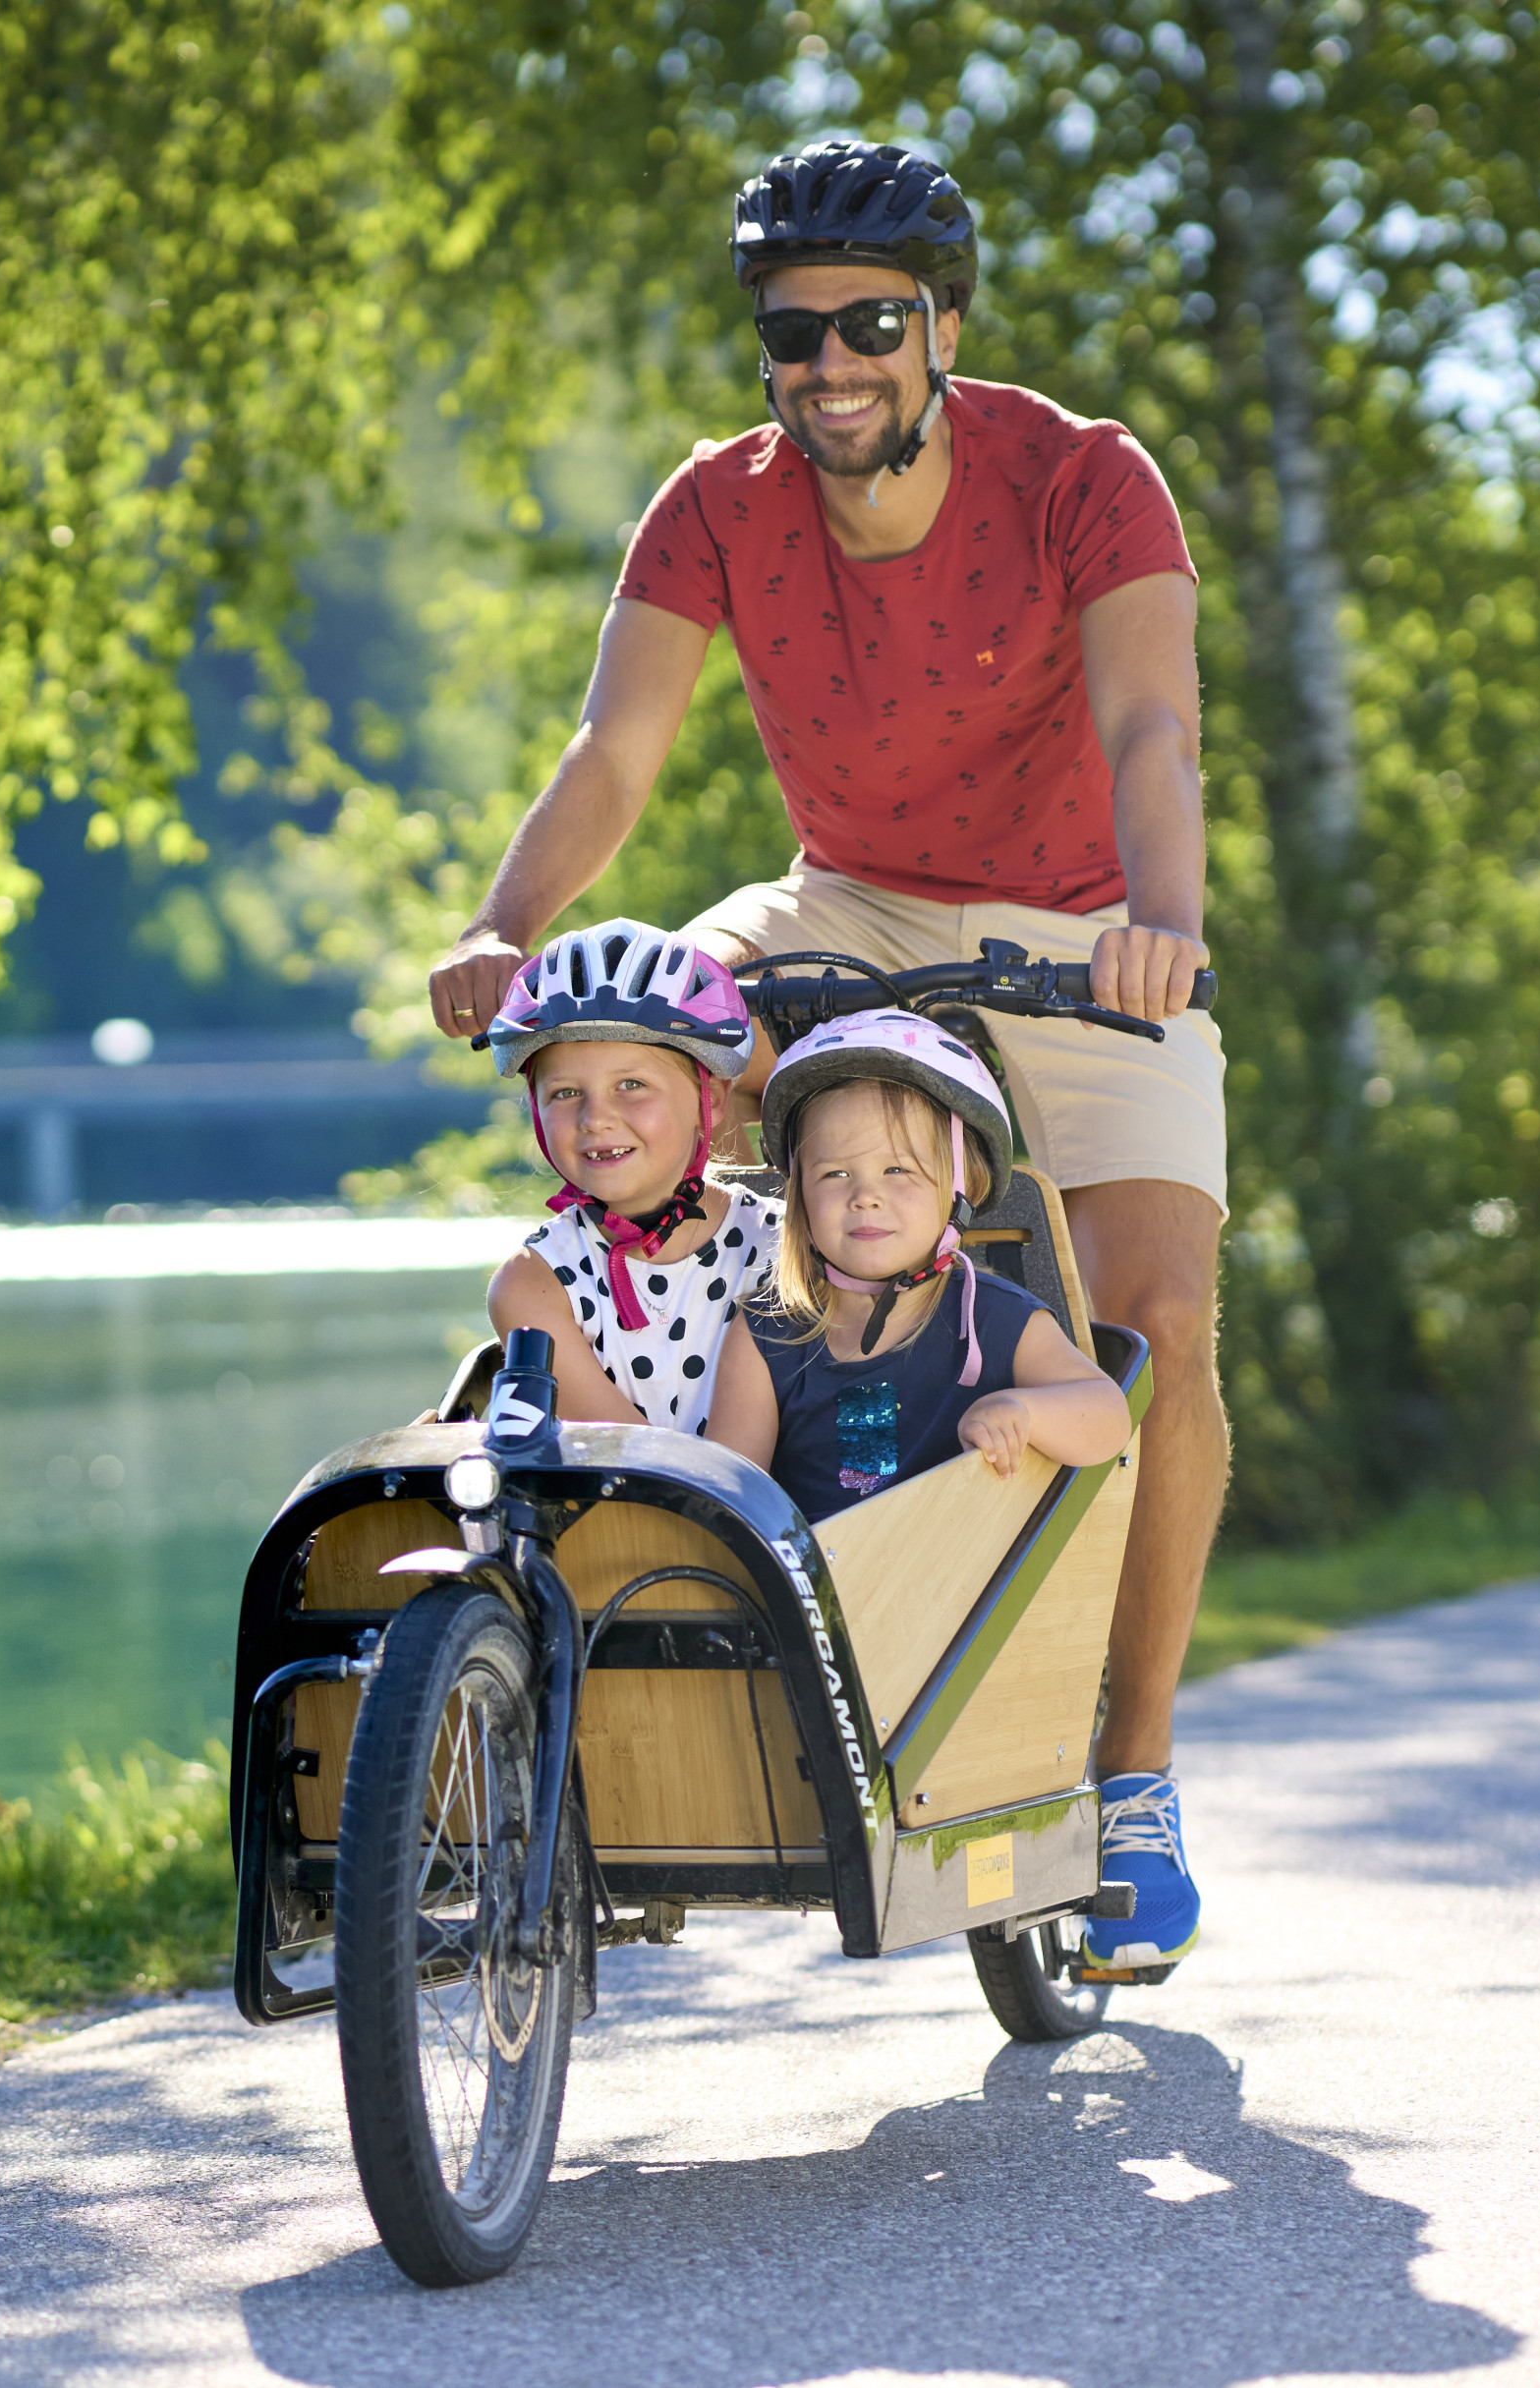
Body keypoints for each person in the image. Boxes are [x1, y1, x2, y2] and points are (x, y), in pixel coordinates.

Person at [428, 137, 1223, 1972]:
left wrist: (1159, 929)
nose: (835, 363)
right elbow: (616, 752)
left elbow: (1151, 728)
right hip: (845, 899)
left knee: (1161, 1317)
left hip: (1076, 922)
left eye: (874, 323)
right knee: (626, 1030)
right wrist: (500, 925)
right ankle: (589, 1557)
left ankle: (1135, 1779)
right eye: (797, 335)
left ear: (943, 325)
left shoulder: (1083, 478)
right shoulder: (718, 504)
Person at [706, 1011, 1132, 1516]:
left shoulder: (997, 1321)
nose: (865, 1196)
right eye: (835, 1173)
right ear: (799, 1197)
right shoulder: (766, 1333)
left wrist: (1024, 1412)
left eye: (897, 1169)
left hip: (970, 1590)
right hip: (821, 1587)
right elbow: (732, 1497)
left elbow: (1108, 1415)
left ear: (960, 1191)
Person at [482, 920, 779, 1434]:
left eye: (631, 1084)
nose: (595, 1118)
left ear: (710, 1099)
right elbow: (642, 1470)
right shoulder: (534, 1282)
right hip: (630, 1513)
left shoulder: (786, 1246)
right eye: (566, 1093)